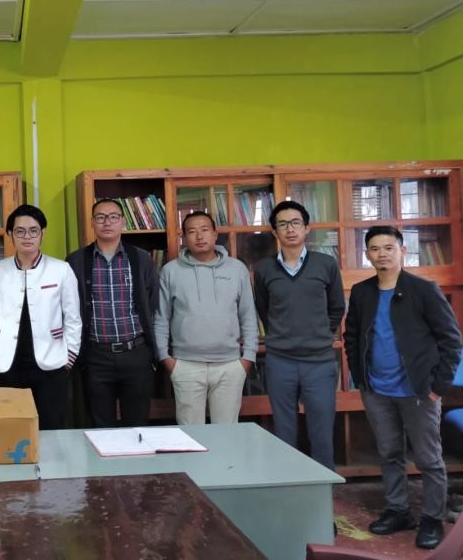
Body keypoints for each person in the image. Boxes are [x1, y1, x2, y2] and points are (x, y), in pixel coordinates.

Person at [344, 226, 461, 551]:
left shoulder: (424, 290)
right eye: (375, 248)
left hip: (419, 391)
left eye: (388, 247)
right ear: (367, 254)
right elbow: (352, 336)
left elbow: (451, 341)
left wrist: (437, 387)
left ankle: (432, 518)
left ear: (402, 251)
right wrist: (360, 377)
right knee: (390, 453)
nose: (382, 253)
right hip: (377, 390)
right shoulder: (362, 291)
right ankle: (398, 510)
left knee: (428, 459)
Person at [253, 201, 345, 470]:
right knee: (284, 432)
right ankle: (289, 491)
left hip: (319, 362)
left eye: (295, 223)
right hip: (280, 361)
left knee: (322, 432)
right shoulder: (264, 269)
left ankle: (322, 499)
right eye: (282, 224)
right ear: (275, 232)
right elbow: (264, 309)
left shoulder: (326, 264)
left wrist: (319, 335)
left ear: (307, 228)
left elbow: (337, 307)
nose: (289, 229)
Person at [154, 211, 258, 425]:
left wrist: (247, 358)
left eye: (204, 230)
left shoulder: (237, 269)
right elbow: (161, 317)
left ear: (214, 233)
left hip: (230, 365)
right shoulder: (170, 271)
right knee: (191, 436)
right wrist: (166, 358)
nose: (199, 236)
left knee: (227, 433)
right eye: (192, 232)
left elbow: (248, 315)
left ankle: (227, 461)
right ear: (184, 237)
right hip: (186, 365)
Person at [0, 204, 81, 430]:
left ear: (42, 233)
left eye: (33, 230)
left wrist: (68, 359)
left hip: (51, 365)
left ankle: (52, 468)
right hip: (8, 365)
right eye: (20, 231)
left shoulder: (61, 269)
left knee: (52, 428)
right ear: (10, 234)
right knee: (11, 431)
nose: (27, 236)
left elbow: (73, 319)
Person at [66, 198, 158, 428]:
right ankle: (103, 466)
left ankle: (135, 465)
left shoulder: (140, 258)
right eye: (100, 217)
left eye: (113, 217)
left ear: (123, 222)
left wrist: (152, 350)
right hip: (96, 356)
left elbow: (154, 303)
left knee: (137, 425)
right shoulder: (76, 261)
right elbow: (68, 309)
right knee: (100, 425)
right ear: (92, 223)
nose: (107, 222)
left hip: (135, 352)